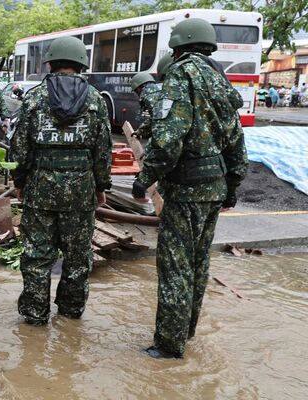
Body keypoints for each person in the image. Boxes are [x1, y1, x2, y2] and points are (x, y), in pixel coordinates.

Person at [132, 18, 248, 359]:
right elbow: (236, 140)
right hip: (214, 188)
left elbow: (168, 140)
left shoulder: (180, 75)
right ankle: (188, 331)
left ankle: (169, 345)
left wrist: (145, 178)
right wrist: (233, 184)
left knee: (175, 266)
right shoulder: (218, 78)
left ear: (178, 46)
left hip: (184, 190)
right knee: (198, 264)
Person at [10, 36, 112, 326]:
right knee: (77, 256)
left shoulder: (34, 97)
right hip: (80, 190)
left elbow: (20, 147)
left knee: (37, 255)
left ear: (51, 62)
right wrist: (101, 186)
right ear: (81, 63)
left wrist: (20, 180)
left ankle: (34, 315)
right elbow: (103, 150)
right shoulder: (95, 99)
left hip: (40, 189)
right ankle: (70, 313)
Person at [130, 72, 160, 139]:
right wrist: (141, 131)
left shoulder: (148, 95)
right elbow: (154, 117)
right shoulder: (160, 88)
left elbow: (158, 119)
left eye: (135, 91)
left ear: (138, 88)